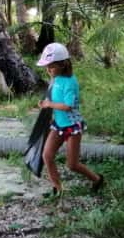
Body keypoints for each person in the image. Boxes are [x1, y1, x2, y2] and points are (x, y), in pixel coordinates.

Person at [37, 42, 104, 197]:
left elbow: (68, 106)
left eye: (51, 67)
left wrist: (50, 104)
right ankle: (57, 188)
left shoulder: (70, 82)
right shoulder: (55, 78)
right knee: (47, 155)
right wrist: (45, 103)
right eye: (47, 67)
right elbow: (53, 96)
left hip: (72, 126)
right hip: (59, 125)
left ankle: (97, 179)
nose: (48, 70)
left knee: (72, 164)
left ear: (63, 65)